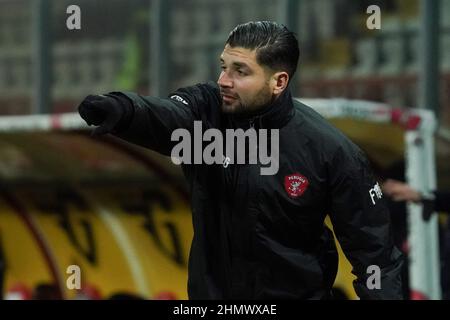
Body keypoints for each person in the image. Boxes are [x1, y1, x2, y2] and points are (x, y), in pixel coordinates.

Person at [78, 21, 404, 299]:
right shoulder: (206, 112)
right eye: (223, 66)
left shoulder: (330, 151)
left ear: (278, 82)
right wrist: (126, 110)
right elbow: (170, 116)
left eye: (240, 71)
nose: (224, 80)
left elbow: (375, 255)